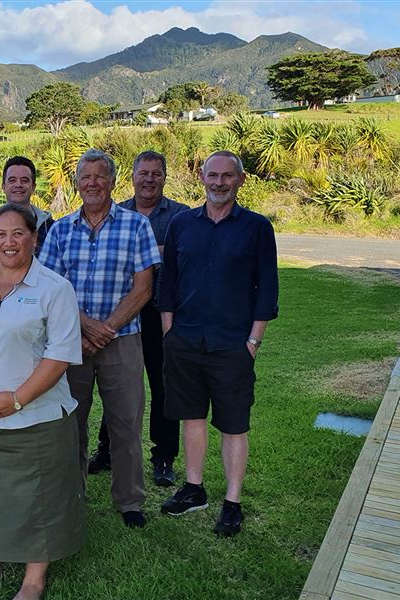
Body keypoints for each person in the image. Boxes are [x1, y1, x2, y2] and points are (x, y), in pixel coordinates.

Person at [0, 203, 84, 600]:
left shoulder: (54, 289)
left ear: (35, 237)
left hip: (36, 417)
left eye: (18, 233)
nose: (9, 242)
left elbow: (58, 356)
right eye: (1, 234)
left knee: (38, 499)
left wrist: (17, 401)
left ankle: (33, 579)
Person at [158, 151, 279, 537]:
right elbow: (169, 283)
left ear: (240, 180)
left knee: (233, 424)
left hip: (232, 344)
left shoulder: (257, 228)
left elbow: (268, 288)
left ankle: (232, 501)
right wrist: (169, 332)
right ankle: (194, 488)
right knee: (192, 417)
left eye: (228, 176)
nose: (220, 182)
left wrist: (253, 342)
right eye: (213, 175)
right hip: (186, 340)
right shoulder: (181, 224)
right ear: (202, 177)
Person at [39, 149, 160, 528]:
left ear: (112, 181)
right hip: (69, 342)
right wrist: (84, 327)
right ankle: (71, 495)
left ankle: (129, 501)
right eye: (85, 177)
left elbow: (143, 289)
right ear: (77, 183)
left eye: (99, 176)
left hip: (122, 340)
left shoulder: (136, 226)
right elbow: (49, 290)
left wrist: (105, 329)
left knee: (125, 422)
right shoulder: (59, 230)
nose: (92, 183)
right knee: (69, 422)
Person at [93, 151, 190, 487]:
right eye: (143, 173)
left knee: (164, 387)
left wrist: (152, 252)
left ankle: (164, 458)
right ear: (132, 177)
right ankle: (106, 451)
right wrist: (158, 252)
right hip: (124, 316)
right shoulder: (117, 213)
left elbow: (182, 260)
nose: (149, 179)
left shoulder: (180, 217)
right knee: (116, 386)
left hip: (164, 315)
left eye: (156, 173)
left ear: (164, 177)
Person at [0, 156, 54, 258]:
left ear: (33, 187)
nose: (18, 184)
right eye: (12, 180)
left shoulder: (50, 228)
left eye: (24, 180)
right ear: (3, 187)